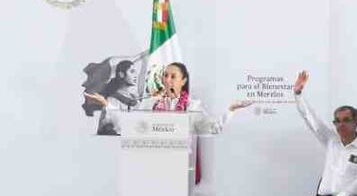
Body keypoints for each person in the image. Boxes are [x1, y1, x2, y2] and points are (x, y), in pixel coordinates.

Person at [83, 61, 251, 136]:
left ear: (183, 81)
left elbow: (213, 128)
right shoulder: (150, 102)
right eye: (165, 75)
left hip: (179, 167)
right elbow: (130, 124)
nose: (167, 80)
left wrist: (231, 110)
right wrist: (107, 104)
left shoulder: (192, 106)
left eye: (173, 76)